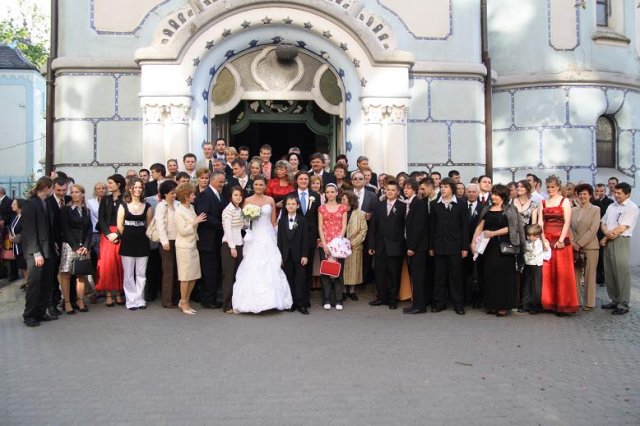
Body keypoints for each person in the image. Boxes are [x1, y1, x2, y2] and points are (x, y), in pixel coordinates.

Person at [232, 175, 293, 313]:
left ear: (265, 186)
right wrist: (248, 223)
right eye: (256, 184)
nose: (258, 187)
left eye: (261, 185)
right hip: (254, 236)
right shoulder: (247, 200)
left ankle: (273, 301)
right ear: (253, 186)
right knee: (252, 264)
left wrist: (279, 236)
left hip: (267, 235)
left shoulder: (270, 200)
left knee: (271, 265)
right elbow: (244, 221)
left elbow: (273, 221)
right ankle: (249, 302)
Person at [472, 184, 525, 317]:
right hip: (488, 248)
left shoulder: (511, 209)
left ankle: (503, 306)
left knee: (504, 277)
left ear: (503, 196)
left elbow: (512, 228)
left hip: (505, 248)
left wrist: (493, 233)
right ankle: (492, 304)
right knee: (490, 275)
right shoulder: (487, 209)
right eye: (492, 194)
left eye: (496, 194)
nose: (493, 196)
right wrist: (473, 242)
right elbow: (480, 226)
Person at [538, 175, 579, 315]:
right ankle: (549, 303)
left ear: (558, 187)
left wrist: (561, 240)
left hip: (561, 240)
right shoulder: (543, 202)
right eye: (548, 187)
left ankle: (564, 303)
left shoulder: (564, 201)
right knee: (547, 272)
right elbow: (540, 222)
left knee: (562, 272)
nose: (550, 189)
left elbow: (567, 221)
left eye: (553, 187)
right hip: (547, 240)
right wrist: (543, 239)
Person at [429, 177, 468, 315]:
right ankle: (439, 303)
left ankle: (458, 304)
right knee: (439, 276)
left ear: (452, 188)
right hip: (439, 246)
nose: (443, 189)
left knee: (456, 277)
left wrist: (465, 247)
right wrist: (431, 246)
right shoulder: (434, 204)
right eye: (441, 187)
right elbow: (432, 227)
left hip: (456, 246)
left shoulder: (461, 204)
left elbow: (464, 227)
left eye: (446, 187)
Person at [21, 177, 56, 327]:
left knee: (46, 283)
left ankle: (41, 312)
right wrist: (36, 253)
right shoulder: (30, 203)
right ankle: (29, 315)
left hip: (48, 249)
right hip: (35, 252)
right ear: (47, 188)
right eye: (52, 187)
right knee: (35, 284)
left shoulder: (46, 202)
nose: (53, 190)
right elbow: (29, 230)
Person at [600, 182, 639, 315]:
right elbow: (603, 222)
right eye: (615, 193)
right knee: (609, 271)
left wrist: (606, 237)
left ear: (627, 194)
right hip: (609, 240)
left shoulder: (632, 207)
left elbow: (622, 227)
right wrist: (606, 234)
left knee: (621, 272)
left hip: (621, 241)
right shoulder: (612, 206)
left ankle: (623, 304)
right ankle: (614, 300)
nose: (616, 195)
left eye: (619, 193)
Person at [368, 180, 406, 310]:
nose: (390, 192)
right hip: (380, 246)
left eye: (393, 190)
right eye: (387, 190)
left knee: (394, 274)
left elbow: (405, 227)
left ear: (398, 192)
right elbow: (373, 226)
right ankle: (381, 297)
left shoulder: (403, 206)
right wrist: (371, 245)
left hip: (396, 246)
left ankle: (393, 299)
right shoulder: (378, 206)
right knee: (380, 274)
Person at [116, 178, 152, 310]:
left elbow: (149, 225)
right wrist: (127, 235)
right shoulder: (123, 206)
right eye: (135, 187)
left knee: (141, 273)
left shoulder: (147, 206)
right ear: (130, 189)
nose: (138, 190)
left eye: (140, 187)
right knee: (129, 273)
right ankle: (130, 300)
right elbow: (120, 226)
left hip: (142, 241)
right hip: (128, 241)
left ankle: (140, 299)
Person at [58, 184, 93, 314]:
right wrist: (76, 247)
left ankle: (80, 300)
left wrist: (86, 246)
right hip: (69, 246)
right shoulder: (66, 210)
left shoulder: (86, 210)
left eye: (77, 192)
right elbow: (65, 230)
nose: (74, 194)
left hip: (83, 247)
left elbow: (89, 230)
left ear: (82, 194)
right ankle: (67, 302)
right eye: (72, 192)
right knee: (66, 274)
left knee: (81, 273)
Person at [195, 171, 227, 309]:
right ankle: (207, 300)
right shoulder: (205, 195)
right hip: (208, 240)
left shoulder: (220, 195)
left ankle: (212, 297)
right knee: (209, 271)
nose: (222, 184)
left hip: (217, 239)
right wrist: (221, 224)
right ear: (212, 181)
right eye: (220, 182)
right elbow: (204, 215)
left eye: (223, 182)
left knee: (214, 270)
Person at [288, 172, 320, 307]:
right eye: (300, 178)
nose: (303, 181)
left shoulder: (315, 196)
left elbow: (318, 217)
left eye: (306, 179)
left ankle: (305, 297)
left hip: (311, 236)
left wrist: (318, 236)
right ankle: (293, 298)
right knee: (295, 268)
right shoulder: (291, 196)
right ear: (297, 180)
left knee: (308, 268)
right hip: (295, 237)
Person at [175, 182, 207, 315]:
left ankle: (185, 300)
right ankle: (183, 302)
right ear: (186, 196)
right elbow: (182, 231)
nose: (194, 196)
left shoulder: (191, 208)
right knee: (185, 276)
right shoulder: (179, 211)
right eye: (192, 194)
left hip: (193, 245)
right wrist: (195, 221)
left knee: (194, 275)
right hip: (184, 247)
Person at [96, 174, 126, 307]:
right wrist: (108, 234)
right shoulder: (105, 199)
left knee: (119, 263)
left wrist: (117, 234)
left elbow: (126, 218)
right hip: (107, 235)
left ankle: (119, 293)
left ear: (118, 184)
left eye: (110, 183)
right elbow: (101, 218)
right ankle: (108, 295)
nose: (108, 185)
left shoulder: (125, 198)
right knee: (106, 265)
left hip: (121, 234)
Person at [570, 183, 600, 311]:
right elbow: (569, 227)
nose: (582, 196)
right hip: (574, 247)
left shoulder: (595, 209)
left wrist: (580, 243)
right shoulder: (573, 210)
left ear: (590, 195)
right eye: (580, 194)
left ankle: (589, 303)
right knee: (575, 274)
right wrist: (572, 242)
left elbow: (593, 229)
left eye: (585, 194)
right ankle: (576, 301)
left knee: (589, 275)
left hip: (590, 246)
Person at [318, 183, 348, 310]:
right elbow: (320, 227)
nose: (330, 194)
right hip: (324, 243)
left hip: (338, 244)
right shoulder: (321, 208)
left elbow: (344, 226)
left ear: (336, 193)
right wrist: (324, 244)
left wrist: (338, 243)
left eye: (332, 192)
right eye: (327, 192)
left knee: (338, 271)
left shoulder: (343, 208)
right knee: (326, 271)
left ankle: (338, 299)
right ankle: (326, 299)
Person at [278, 195, 310, 314]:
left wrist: (305, 255)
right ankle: (291, 302)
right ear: (285, 206)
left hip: (299, 255)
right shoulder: (282, 221)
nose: (290, 206)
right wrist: (280, 255)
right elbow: (280, 239)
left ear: (297, 206)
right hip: (286, 255)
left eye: (293, 204)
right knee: (289, 279)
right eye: (288, 204)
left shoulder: (302, 220)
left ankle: (301, 304)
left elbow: (305, 239)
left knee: (300, 279)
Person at [402, 179, 429, 314]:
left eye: (409, 188)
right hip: (412, 246)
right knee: (415, 276)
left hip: (418, 248)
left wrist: (412, 247)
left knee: (418, 277)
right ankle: (415, 304)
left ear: (415, 189)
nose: (406, 190)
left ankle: (420, 306)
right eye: (404, 188)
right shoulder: (410, 203)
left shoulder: (418, 203)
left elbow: (418, 228)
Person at [221, 186, 245, 314]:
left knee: (237, 275)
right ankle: (226, 305)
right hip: (229, 245)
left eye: (240, 195)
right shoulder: (228, 210)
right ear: (231, 197)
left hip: (239, 243)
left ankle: (235, 302)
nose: (238, 197)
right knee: (229, 276)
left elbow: (242, 226)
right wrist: (232, 247)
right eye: (235, 195)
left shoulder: (239, 209)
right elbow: (228, 230)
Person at [155, 180, 179, 309]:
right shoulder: (161, 206)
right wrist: (164, 241)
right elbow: (160, 224)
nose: (174, 195)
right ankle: (167, 300)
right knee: (168, 271)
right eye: (172, 193)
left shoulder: (178, 204)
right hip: (167, 241)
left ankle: (176, 298)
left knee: (177, 270)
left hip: (178, 240)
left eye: (175, 192)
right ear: (165, 194)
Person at [341, 190, 367, 301]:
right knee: (343, 269)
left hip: (354, 246)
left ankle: (352, 291)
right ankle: (342, 291)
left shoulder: (360, 213)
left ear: (350, 200)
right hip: (340, 246)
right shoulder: (339, 211)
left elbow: (363, 230)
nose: (342, 201)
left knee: (354, 269)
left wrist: (353, 242)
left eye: (344, 199)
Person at [522, 224, 547, 314]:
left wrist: (541, 256)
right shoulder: (526, 242)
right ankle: (525, 305)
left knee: (536, 286)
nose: (528, 237)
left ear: (537, 236)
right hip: (528, 265)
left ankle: (536, 306)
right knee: (526, 284)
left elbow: (547, 254)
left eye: (530, 235)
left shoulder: (542, 243)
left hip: (537, 265)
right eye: (527, 235)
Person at [591, 183, 613, 285]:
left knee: (604, 257)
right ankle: (599, 277)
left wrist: (598, 201)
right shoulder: (593, 201)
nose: (599, 193)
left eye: (601, 191)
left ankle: (606, 278)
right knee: (597, 257)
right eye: (597, 191)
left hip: (604, 231)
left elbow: (604, 213)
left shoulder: (610, 202)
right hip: (595, 231)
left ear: (605, 191)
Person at [8, 199, 27, 288]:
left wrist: (15, 238)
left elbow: (24, 231)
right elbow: (11, 227)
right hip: (16, 245)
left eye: (14, 204)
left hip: (22, 245)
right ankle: (26, 281)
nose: (11, 205)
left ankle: (29, 283)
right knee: (21, 265)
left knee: (24, 265)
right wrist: (10, 235)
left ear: (19, 205)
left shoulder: (24, 217)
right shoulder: (16, 216)